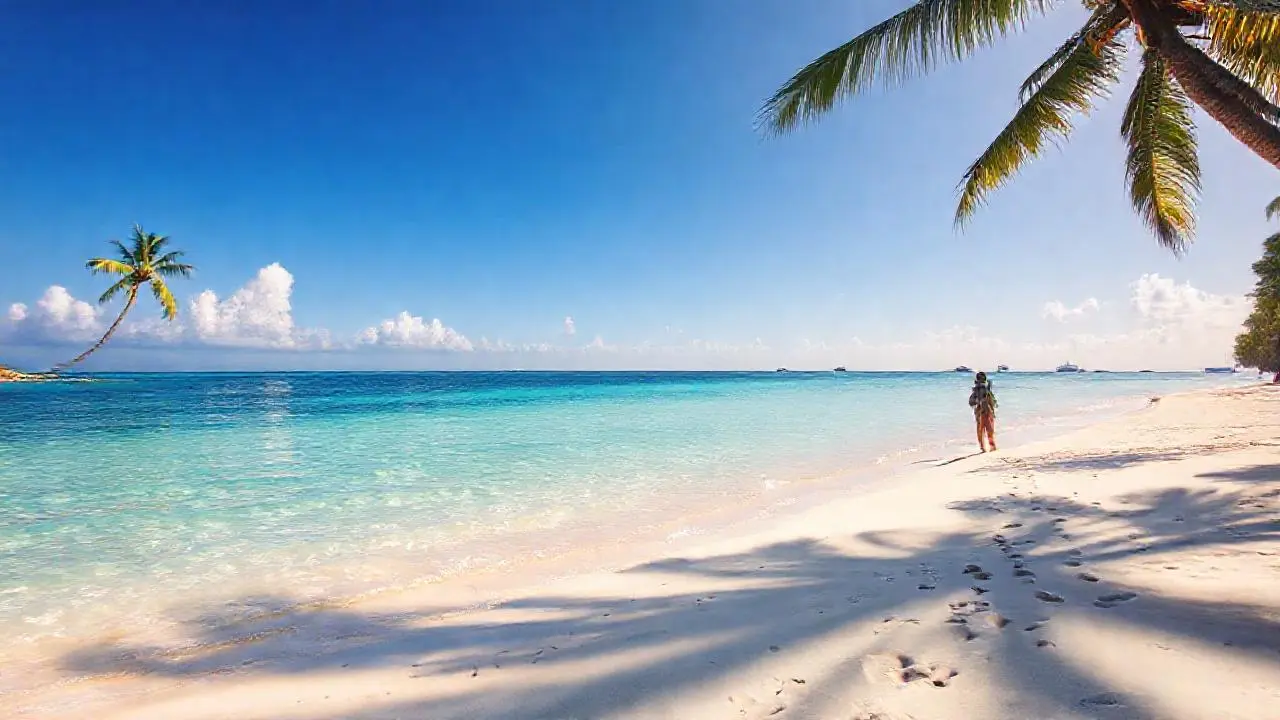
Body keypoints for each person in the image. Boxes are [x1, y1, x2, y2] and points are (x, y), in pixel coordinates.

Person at [968, 371, 997, 452]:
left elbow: (971, 402)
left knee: (981, 430)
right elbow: (992, 401)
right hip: (985, 412)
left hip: (981, 412)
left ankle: (983, 447)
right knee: (989, 430)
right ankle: (991, 447)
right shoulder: (983, 389)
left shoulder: (977, 390)